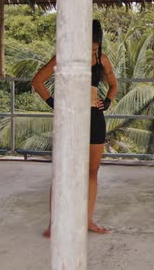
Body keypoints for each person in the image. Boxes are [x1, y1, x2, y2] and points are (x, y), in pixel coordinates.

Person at [32, 20, 118, 235]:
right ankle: (55, 223)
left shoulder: (102, 60)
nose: (91, 51)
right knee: (62, 172)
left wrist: (106, 102)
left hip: (94, 118)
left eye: (95, 48)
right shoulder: (63, 58)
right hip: (70, 119)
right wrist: (55, 104)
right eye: (87, 47)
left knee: (92, 171)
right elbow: (38, 81)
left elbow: (114, 85)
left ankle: (88, 220)